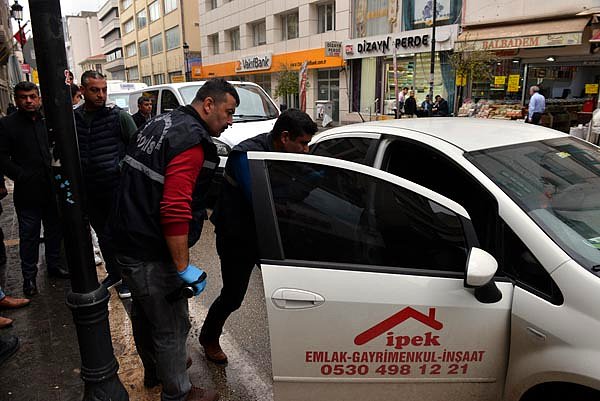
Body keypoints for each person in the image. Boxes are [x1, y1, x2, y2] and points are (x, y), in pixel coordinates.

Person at [110, 78, 238, 401]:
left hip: (126, 237)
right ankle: (178, 392)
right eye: (228, 111)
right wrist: (182, 266)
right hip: (151, 250)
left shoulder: (160, 122)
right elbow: (175, 208)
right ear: (208, 105)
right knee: (172, 326)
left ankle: (157, 370)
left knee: (143, 312)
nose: (230, 120)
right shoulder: (192, 141)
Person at [200, 108, 318, 364]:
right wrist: (304, 184)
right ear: (284, 137)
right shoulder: (246, 155)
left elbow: (306, 177)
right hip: (238, 238)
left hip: (270, 235)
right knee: (233, 296)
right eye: (303, 143)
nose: (306, 150)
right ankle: (209, 337)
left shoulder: (286, 151)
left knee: (287, 296)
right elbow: (264, 198)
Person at [0, 82, 69, 296]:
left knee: (53, 231)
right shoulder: (7, 125)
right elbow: (2, 157)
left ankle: (54, 265)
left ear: (38, 98)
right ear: (16, 99)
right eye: (23, 97)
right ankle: (29, 278)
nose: (28, 101)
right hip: (27, 192)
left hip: (50, 189)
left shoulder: (46, 122)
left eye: (32, 96)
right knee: (29, 236)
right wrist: (20, 175)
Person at [74, 71, 137, 299]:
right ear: (82, 91)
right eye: (94, 90)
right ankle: (114, 273)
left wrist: (119, 167)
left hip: (115, 189)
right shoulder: (75, 118)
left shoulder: (119, 116)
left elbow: (137, 148)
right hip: (90, 190)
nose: (101, 95)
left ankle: (129, 280)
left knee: (120, 236)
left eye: (104, 90)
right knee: (103, 236)